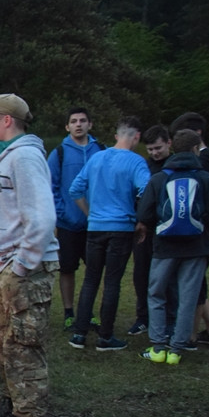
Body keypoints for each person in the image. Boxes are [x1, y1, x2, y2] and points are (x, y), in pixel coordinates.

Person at [0, 93, 60, 417]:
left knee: (23, 348)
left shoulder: (25, 157)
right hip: (4, 267)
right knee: (4, 344)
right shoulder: (6, 158)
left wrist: (22, 264)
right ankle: (13, 411)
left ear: (7, 120)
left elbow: (41, 216)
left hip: (23, 270)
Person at [136, 129, 209, 364]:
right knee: (188, 297)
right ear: (196, 149)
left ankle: (157, 346)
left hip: (164, 246)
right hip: (197, 247)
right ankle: (176, 349)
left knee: (156, 294)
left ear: (172, 147)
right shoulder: (205, 177)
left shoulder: (160, 178)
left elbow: (144, 213)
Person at [67, 116, 150, 351]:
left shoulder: (96, 158)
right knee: (112, 281)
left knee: (91, 279)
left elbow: (75, 189)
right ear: (136, 137)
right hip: (121, 228)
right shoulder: (136, 162)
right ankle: (105, 336)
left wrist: (90, 213)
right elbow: (146, 191)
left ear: (117, 136)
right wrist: (141, 221)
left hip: (95, 227)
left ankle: (80, 333)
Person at [169, 112, 209, 347]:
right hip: (202, 229)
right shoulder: (207, 160)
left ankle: (189, 335)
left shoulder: (204, 163)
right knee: (196, 281)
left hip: (200, 230)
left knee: (196, 285)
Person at [48, 107, 105, 331]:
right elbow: (50, 186)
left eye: (82, 121)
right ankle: (69, 312)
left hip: (97, 223)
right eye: (74, 121)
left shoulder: (101, 150)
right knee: (67, 268)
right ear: (67, 126)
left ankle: (89, 312)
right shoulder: (59, 153)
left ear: (90, 124)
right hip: (68, 224)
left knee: (95, 268)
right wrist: (62, 213)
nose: (78, 124)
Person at [128, 125, 173, 337]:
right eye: (151, 149)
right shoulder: (144, 166)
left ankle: (168, 319)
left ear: (169, 144)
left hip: (169, 230)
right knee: (141, 273)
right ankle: (143, 317)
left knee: (168, 276)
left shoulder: (175, 167)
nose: (155, 153)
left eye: (158, 148)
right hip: (144, 229)